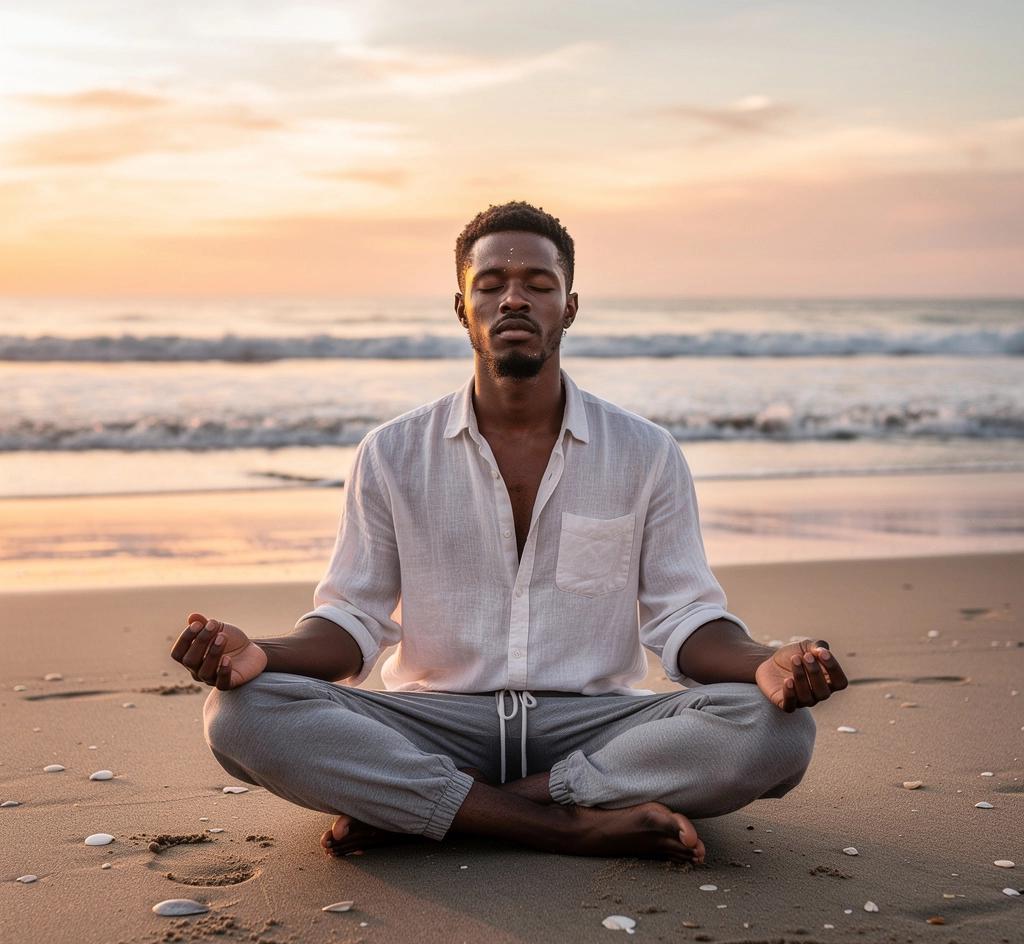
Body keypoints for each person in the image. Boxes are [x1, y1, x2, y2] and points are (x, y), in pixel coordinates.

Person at [173, 201, 847, 864]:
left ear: (570, 307)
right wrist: (260, 653)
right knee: (239, 713)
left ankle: (440, 811)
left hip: (595, 728)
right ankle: (568, 826)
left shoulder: (645, 452)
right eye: (491, 284)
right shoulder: (393, 453)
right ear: (462, 307)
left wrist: (766, 659)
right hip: (435, 723)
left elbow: (687, 622)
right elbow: (350, 626)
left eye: (539, 285)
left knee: (775, 730)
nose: (514, 299)